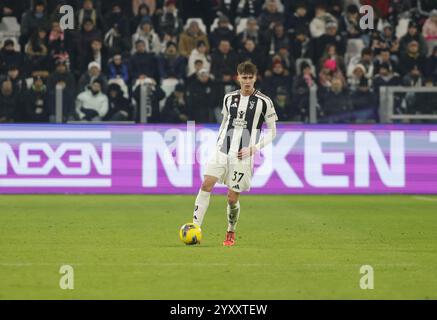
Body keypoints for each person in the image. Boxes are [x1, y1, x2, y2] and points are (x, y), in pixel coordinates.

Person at [190, 61, 278, 246]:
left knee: (232, 198)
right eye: (244, 77)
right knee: (206, 184)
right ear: (238, 77)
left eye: (250, 78)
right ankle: (195, 227)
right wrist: (218, 141)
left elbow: (273, 132)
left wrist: (254, 148)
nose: (247, 81)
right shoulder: (229, 98)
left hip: (244, 154)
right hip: (222, 148)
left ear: (255, 78)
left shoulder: (264, 102)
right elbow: (225, 121)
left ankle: (230, 231)